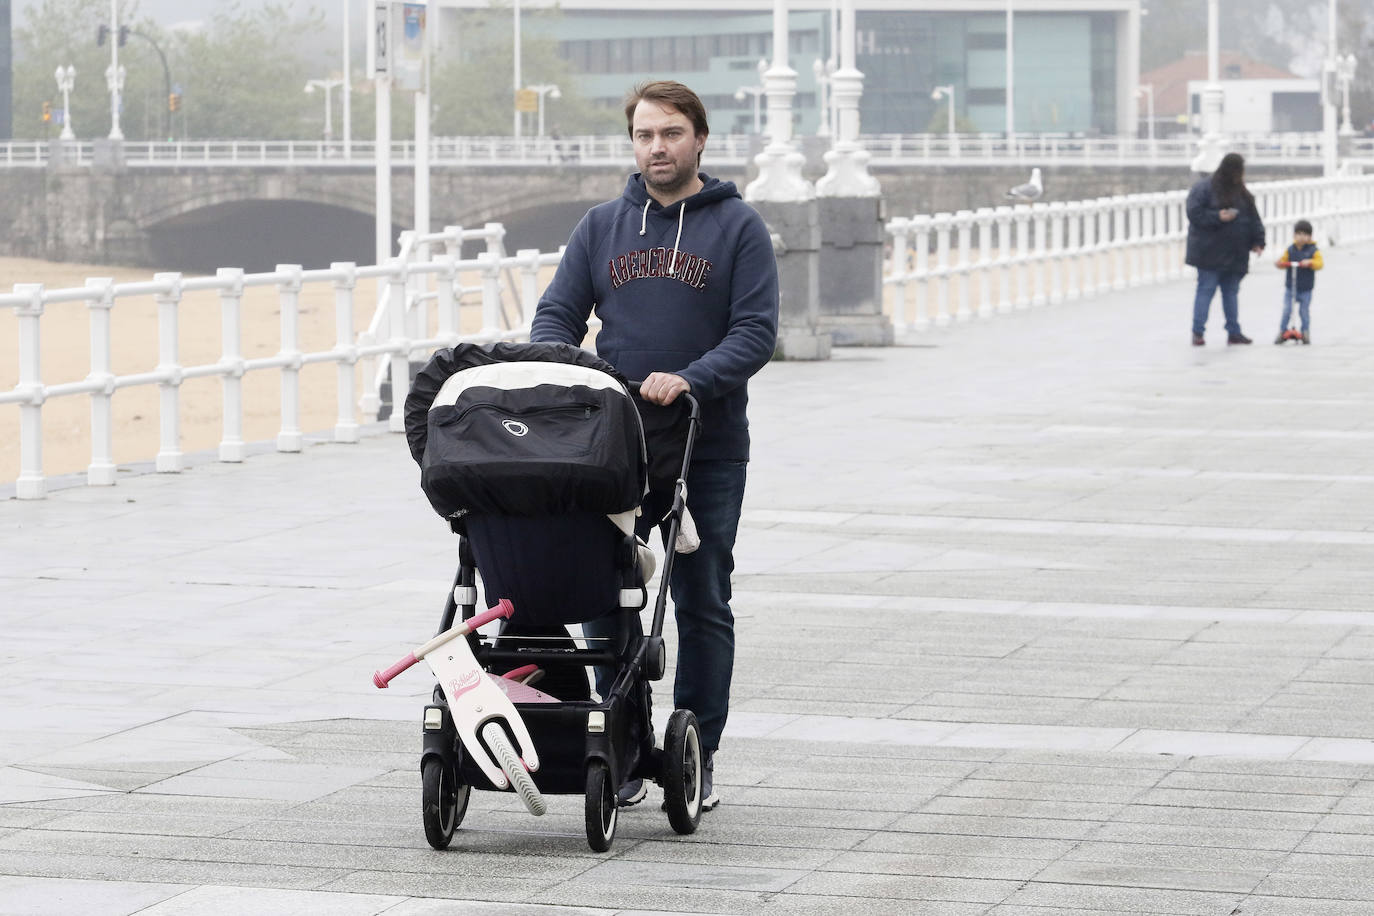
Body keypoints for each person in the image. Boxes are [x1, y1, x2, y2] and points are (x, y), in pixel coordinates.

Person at [529, 80, 779, 812]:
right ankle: (626, 743)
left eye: (670, 134)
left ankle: (698, 751)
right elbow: (558, 313)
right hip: (612, 445)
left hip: (708, 443)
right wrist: (567, 368)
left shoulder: (738, 228)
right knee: (605, 590)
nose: (656, 148)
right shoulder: (604, 225)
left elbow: (756, 331)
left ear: (700, 138)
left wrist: (692, 378)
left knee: (702, 599)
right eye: (644, 135)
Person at [1185, 152, 1266, 346]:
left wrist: (1258, 241)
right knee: (1207, 290)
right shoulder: (1204, 188)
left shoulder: (1242, 193)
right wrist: (1217, 217)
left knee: (1229, 292)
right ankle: (1198, 332)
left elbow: (1254, 218)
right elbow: (1194, 213)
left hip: (1234, 252)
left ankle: (1233, 332)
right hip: (1209, 252)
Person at [1273, 219, 1323, 345]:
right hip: (1291, 287)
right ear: (1294, 235)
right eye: (1299, 234)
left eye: (1305, 234)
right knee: (1287, 309)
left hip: (1306, 288)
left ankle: (1305, 331)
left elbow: (1319, 264)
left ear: (1310, 237)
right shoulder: (1290, 250)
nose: (1301, 237)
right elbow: (1283, 261)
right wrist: (1280, 263)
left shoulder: (1313, 250)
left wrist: (1310, 262)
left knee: (1304, 311)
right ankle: (1282, 331)